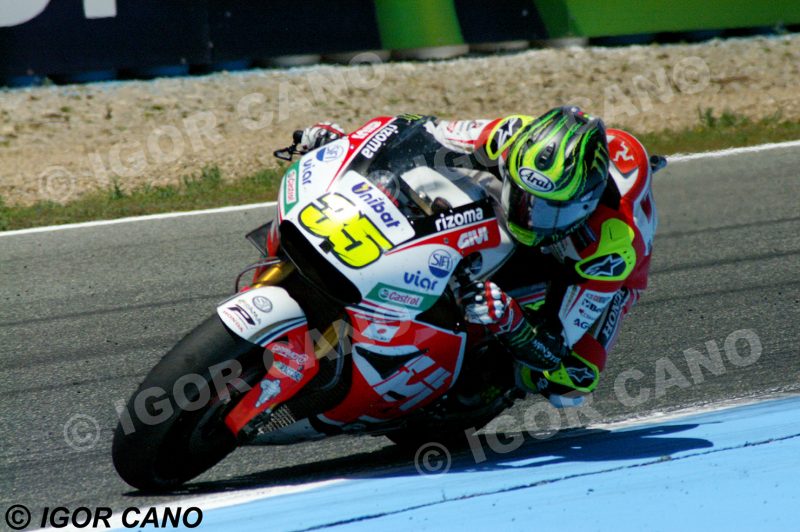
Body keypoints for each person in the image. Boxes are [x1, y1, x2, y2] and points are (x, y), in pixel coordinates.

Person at [294, 106, 658, 408]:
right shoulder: (508, 135)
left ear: (584, 205)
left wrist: (511, 320)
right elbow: (421, 132)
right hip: (503, 203)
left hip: (590, 267)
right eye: (524, 196)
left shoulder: (609, 249)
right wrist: (346, 144)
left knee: (572, 382)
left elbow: (555, 347)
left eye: (548, 211)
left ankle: (485, 384)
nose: (529, 216)